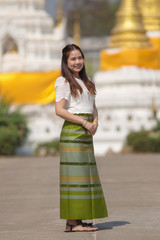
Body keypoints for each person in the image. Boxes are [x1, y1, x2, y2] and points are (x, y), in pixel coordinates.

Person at [55, 44, 108, 232]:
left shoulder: (87, 81)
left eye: (80, 58)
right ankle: (73, 223)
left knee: (85, 177)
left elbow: (92, 106)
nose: (77, 62)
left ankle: (75, 221)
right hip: (73, 133)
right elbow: (59, 110)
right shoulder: (63, 82)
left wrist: (95, 122)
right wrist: (84, 123)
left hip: (86, 134)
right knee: (74, 179)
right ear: (66, 62)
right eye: (73, 59)